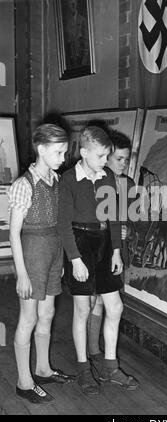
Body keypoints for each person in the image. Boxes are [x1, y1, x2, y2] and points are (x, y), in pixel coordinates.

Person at [58, 126, 138, 397]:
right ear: (84, 153)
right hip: (80, 245)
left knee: (114, 307)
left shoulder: (106, 179)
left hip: (104, 244)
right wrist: (75, 260)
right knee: (82, 309)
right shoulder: (68, 180)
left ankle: (110, 366)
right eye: (102, 156)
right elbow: (63, 225)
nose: (105, 161)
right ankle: (83, 369)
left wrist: (116, 251)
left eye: (107, 156)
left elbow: (114, 218)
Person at [8, 123, 75, 405]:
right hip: (33, 251)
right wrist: (22, 274)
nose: (62, 157)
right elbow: (14, 233)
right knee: (29, 318)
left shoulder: (56, 180)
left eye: (64, 152)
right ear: (41, 149)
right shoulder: (24, 184)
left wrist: (59, 262)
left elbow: (58, 224)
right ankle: (24, 382)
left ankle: (43, 368)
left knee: (47, 314)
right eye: (58, 152)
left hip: (53, 251)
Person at [87, 131, 139, 391]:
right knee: (96, 302)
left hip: (116, 252)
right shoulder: (96, 182)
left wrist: (127, 230)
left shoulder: (128, 185)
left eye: (126, 160)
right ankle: (94, 353)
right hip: (97, 250)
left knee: (110, 303)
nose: (123, 164)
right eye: (118, 158)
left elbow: (131, 218)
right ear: (106, 157)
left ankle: (100, 358)